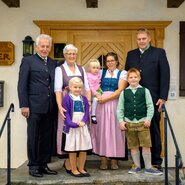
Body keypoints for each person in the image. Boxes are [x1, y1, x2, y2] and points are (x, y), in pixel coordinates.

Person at [125, 27, 170, 171]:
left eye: (144, 38)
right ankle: (139, 163)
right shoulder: (130, 54)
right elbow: (127, 76)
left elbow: (165, 75)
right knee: (135, 130)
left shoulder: (159, 53)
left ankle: (156, 161)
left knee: (153, 130)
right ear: (136, 40)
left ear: (149, 39)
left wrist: (163, 97)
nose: (141, 41)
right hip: (134, 100)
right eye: (139, 39)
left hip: (154, 99)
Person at [17, 34, 58, 177]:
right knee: (34, 136)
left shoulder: (53, 63)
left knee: (47, 137)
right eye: (42, 46)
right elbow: (22, 85)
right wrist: (24, 105)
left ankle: (43, 164)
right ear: (36, 47)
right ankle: (33, 165)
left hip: (50, 106)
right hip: (33, 106)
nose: (45, 49)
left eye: (47, 46)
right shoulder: (28, 61)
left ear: (50, 47)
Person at [117, 68, 163, 175]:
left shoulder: (145, 91)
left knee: (146, 146)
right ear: (127, 79)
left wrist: (148, 119)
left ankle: (148, 167)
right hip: (129, 123)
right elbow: (120, 108)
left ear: (139, 78)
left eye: (135, 77)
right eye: (131, 77)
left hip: (143, 123)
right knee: (133, 146)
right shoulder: (124, 93)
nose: (133, 79)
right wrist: (121, 121)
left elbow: (150, 106)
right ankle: (137, 166)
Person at [54, 44, 91, 173]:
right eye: (69, 53)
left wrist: (89, 102)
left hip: (80, 103)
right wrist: (59, 106)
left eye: (74, 53)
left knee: (81, 133)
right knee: (68, 132)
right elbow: (58, 90)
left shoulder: (81, 69)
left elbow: (87, 87)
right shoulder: (60, 69)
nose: (71, 56)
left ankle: (78, 165)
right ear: (65, 55)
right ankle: (69, 162)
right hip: (67, 103)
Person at [91, 52, 128, 170]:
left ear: (117, 61)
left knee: (115, 132)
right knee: (102, 132)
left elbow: (120, 90)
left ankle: (114, 161)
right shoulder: (101, 73)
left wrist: (105, 99)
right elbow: (96, 87)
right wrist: (98, 97)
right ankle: (103, 160)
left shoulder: (122, 73)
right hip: (101, 106)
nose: (110, 63)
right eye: (108, 61)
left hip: (115, 105)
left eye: (112, 60)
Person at [62, 77, 92, 177]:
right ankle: (74, 169)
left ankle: (81, 168)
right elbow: (66, 116)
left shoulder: (83, 98)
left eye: (79, 87)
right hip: (72, 127)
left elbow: (86, 112)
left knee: (83, 148)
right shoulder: (67, 98)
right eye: (75, 87)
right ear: (70, 87)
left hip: (82, 126)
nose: (77, 89)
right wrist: (74, 124)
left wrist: (83, 121)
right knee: (73, 149)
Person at [86, 59, 103, 124]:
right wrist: (96, 94)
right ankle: (93, 115)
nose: (96, 69)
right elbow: (91, 87)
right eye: (93, 68)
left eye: (97, 68)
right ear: (89, 68)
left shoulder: (98, 74)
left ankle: (100, 114)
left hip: (98, 90)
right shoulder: (89, 76)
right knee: (95, 99)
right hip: (91, 92)